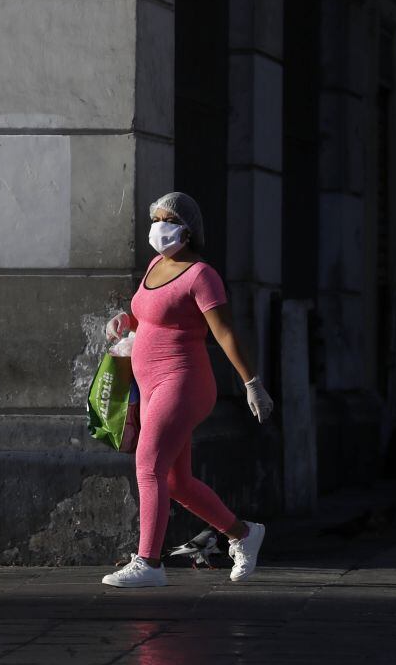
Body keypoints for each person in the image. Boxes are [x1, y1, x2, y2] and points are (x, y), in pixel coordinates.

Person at [100, 192, 274, 588]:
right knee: (176, 481)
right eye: (155, 218)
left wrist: (252, 383)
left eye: (166, 219)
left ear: (187, 228)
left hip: (183, 382)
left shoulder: (201, 275)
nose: (157, 226)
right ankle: (243, 534)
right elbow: (153, 314)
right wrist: (126, 320)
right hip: (151, 383)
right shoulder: (156, 264)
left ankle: (149, 563)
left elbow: (225, 332)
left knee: (148, 465)